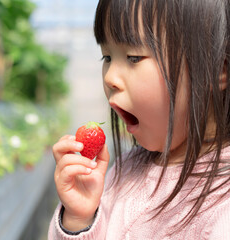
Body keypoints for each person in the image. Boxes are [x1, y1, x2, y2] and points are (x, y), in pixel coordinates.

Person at [48, 0, 230, 239]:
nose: (110, 77)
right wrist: (79, 219)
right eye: (107, 58)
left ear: (216, 69)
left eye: (133, 57)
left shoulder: (221, 204)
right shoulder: (126, 169)